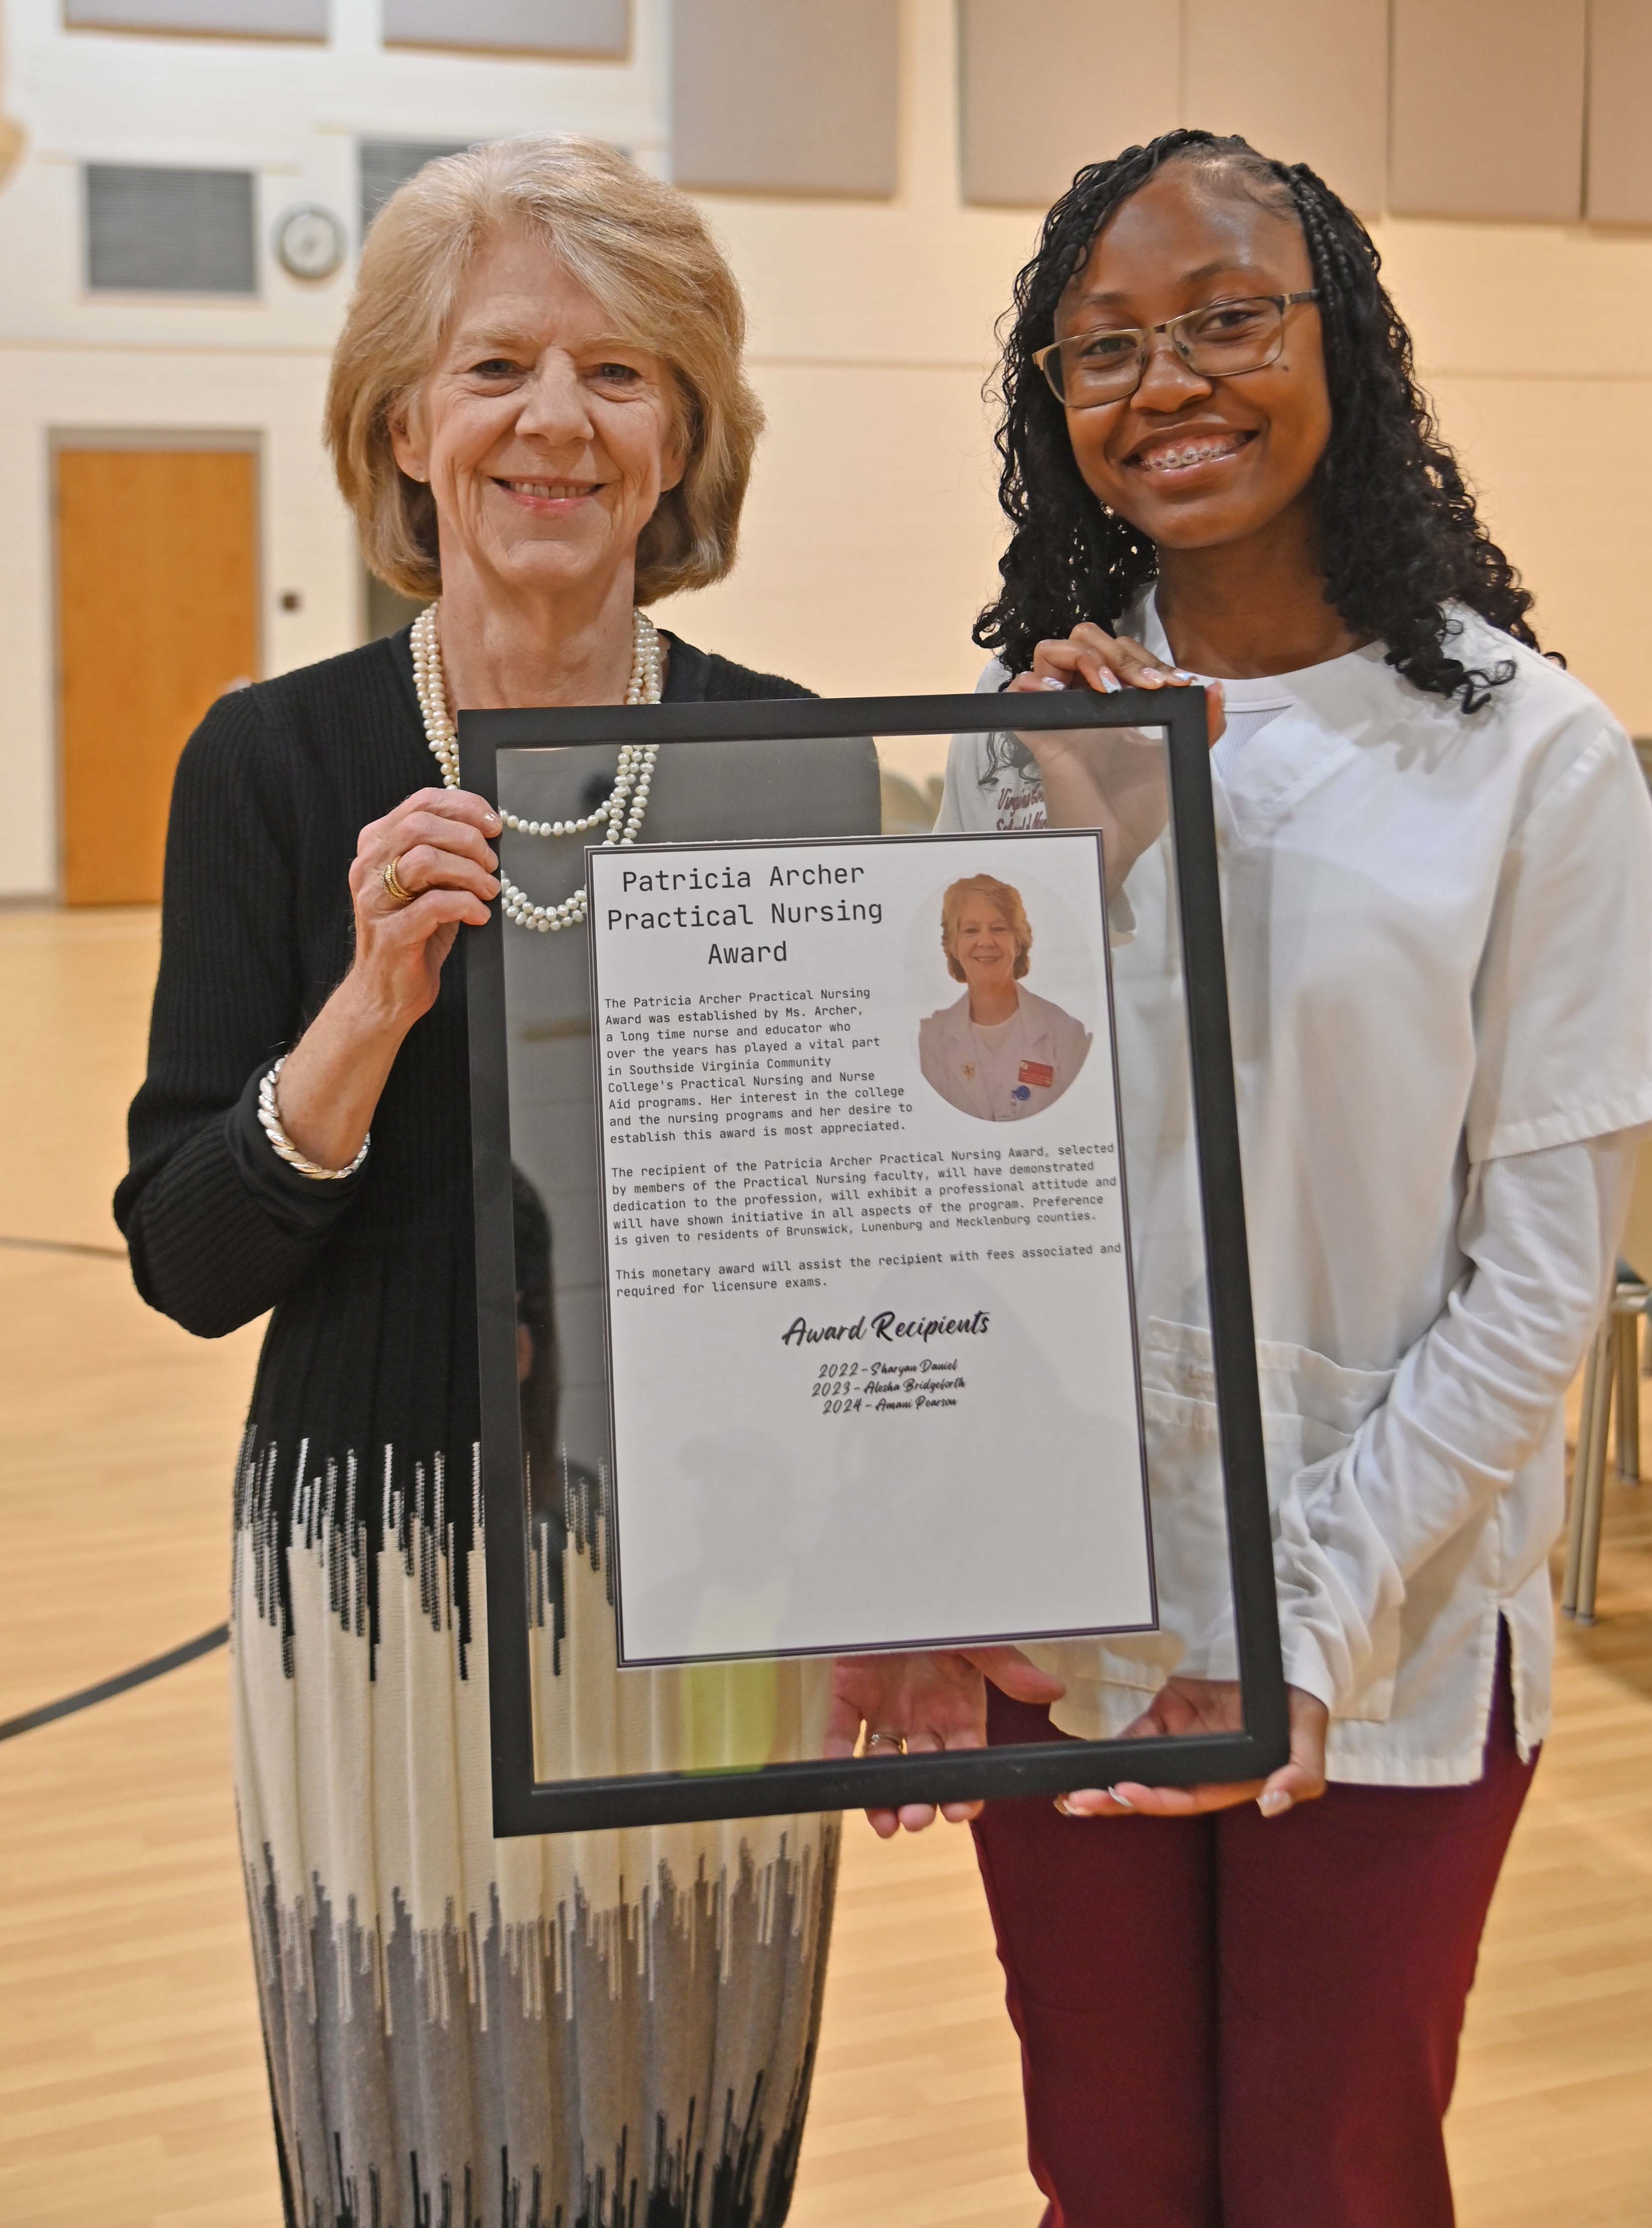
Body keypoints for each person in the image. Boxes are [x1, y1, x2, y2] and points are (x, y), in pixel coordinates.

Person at [846, 129, 1652, 2225]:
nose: (1167, 380)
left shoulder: (1533, 754)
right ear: (1049, 408)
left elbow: (1539, 1284)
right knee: (1113, 2174)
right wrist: (1080, 865)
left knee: (1333, 2178)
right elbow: (949, 1199)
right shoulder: (1022, 741)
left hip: (1387, 1620)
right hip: (1063, 1602)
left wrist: (1309, 1614)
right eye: (1105, 348)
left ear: (1345, 339)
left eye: (1229, 316)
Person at [115, 136, 875, 2228]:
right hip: (388, 1568)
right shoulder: (269, 760)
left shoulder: (791, 754)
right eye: (499, 366)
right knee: (410, 2148)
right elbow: (186, 1252)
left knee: (686, 2130)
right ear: (402, 427)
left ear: (685, 440)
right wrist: (361, 1013)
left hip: (711, 1574)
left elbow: (871, 1227)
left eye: (622, 373)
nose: (556, 419)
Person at [918, 872, 1090, 1120]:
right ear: (953, 946)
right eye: (971, 930)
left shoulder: (1066, 1033)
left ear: (1018, 942)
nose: (985, 941)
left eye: (999, 929)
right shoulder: (932, 1038)